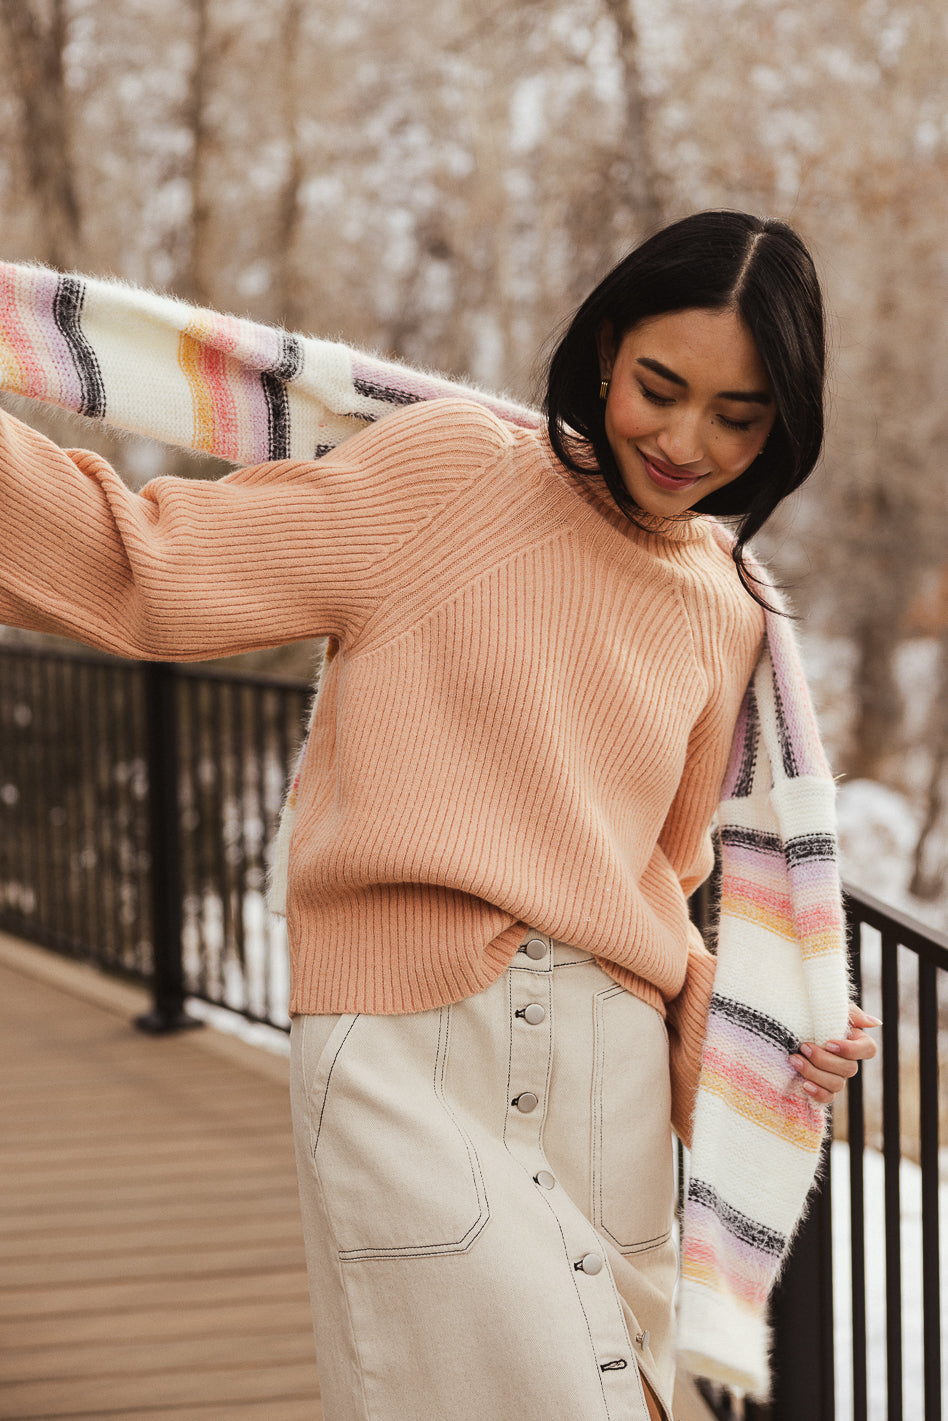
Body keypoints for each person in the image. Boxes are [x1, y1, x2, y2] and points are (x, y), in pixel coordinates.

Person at [0, 211, 877, 1420]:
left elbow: (657, 895)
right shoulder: (456, 468)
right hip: (411, 1054)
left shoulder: (730, 608)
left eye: (738, 414)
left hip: (609, 1089)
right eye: (661, 387)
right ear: (608, 347)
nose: (685, 441)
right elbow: (150, 568)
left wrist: (751, 1045)